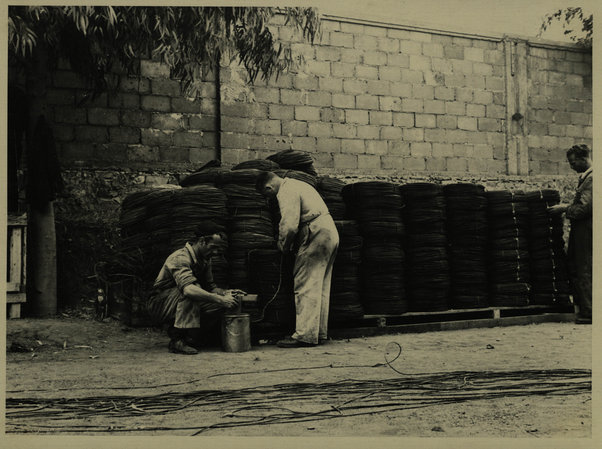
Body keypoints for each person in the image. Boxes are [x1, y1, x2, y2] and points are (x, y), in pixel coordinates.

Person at [256, 172, 339, 347]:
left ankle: (304, 335)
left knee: (305, 284)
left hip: (314, 231)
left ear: (268, 187)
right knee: (321, 285)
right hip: (329, 231)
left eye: (267, 195)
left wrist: (283, 247)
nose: (269, 199)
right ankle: (319, 333)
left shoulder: (286, 190)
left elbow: (290, 225)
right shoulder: (300, 184)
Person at [149, 223, 243, 354]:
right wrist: (219, 299)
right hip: (159, 304)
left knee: (224, 301)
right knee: (192, 291)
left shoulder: (205, 259)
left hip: (179, 300)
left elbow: (211, 288)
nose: (215, 252)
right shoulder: (180, 257)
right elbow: (188, 290)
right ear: (202, 241)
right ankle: (177, 340)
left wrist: (225, 293)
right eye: (213, 247)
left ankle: (193, 337)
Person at [548, 144, 593, 324]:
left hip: (586, 230)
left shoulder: (592, 179)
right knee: (577, 266)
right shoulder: (586, 178)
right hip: (581, 230)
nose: (571, 166)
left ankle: (590, 313)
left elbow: (583, 208)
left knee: (584, 268)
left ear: (584, 159)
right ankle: (586, 310)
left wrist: (564, 208)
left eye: (573, 162)